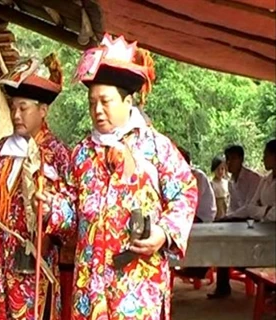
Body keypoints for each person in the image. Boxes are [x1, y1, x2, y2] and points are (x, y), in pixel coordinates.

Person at [36, 33, 198, 319]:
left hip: (137, 285)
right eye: (92, 102)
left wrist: (163, 233)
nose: (97, 110)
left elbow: (185, 192)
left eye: (106, 101)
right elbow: (73, 211)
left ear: (127, 101)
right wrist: (53, 208)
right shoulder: (83, 154)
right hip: (91, 285)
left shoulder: (155, 147)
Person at [0, 53, 72, 320]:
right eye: (13, 107)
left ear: (43, 110)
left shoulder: (57, 154)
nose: (16, 115)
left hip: (31, 258)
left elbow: (70, 214)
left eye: (24, 108)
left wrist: (49, 223)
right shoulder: (2, 148)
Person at [208, 144, 262, 299]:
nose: (228, 163)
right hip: (238, 220)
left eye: (231, 159)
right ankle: (223, 285)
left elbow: (250, 208)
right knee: (220, 235)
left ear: (240, 159)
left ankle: (245, 268)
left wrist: (229, 218)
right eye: (227, 159)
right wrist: (227, 218)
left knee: (222, 229)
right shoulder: (231, 182)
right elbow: (233, 207)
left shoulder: (253, 179)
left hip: (253, 221)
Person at [178, 147, 217, 223]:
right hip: (191, 213)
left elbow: (193, 201)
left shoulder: (198, 176)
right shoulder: (178, 177)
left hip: (203, 216)